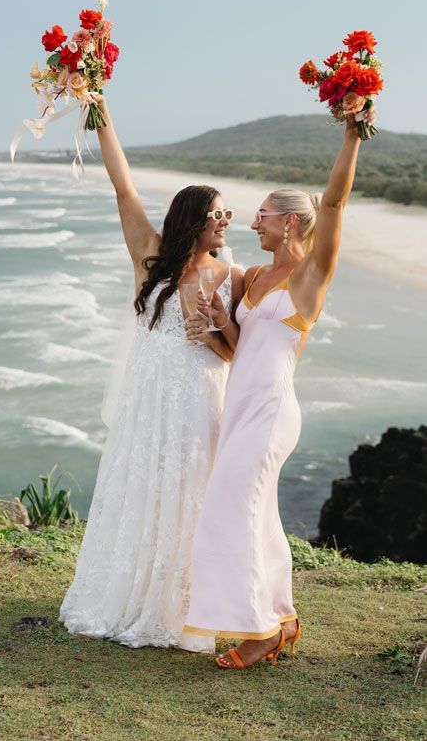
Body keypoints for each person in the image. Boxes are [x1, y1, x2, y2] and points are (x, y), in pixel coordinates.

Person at [183, 107, 377, 668]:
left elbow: (335, 204)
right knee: (257, 513)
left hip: (270, 411)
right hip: (239, 404)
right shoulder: (253, 277)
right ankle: (280, 616)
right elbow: (242, 350)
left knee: (228, 507)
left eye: (263, 215)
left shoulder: (308, 279)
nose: (252, 224)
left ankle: (258, 630)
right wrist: (216, 321)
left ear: (291, 222)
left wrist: (351, 134)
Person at [59, 93, 244, 651]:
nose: (226, 222)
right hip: (150, 399)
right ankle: (129, 592)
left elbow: (232, 354)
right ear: (193, 219)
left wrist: (215, 325)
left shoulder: (230, 274)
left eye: (229, 215)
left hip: (200, 398)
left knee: (192, 493)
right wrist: (99, 107)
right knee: (144, 488)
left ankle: (187, 603)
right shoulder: (150, 255)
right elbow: (124, 186)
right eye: (218, 214)